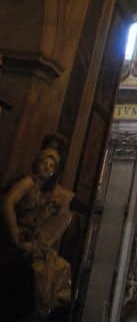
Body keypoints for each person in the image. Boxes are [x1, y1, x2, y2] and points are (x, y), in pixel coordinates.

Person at [0, 135, 74, 320]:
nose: (47, 168)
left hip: (29, 242)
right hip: (13, 241)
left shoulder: (44, 192)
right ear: (37, 162)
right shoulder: (27, 182)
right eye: (45, 163)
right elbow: (8, 203)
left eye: (52, 166)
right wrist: (16, 235)